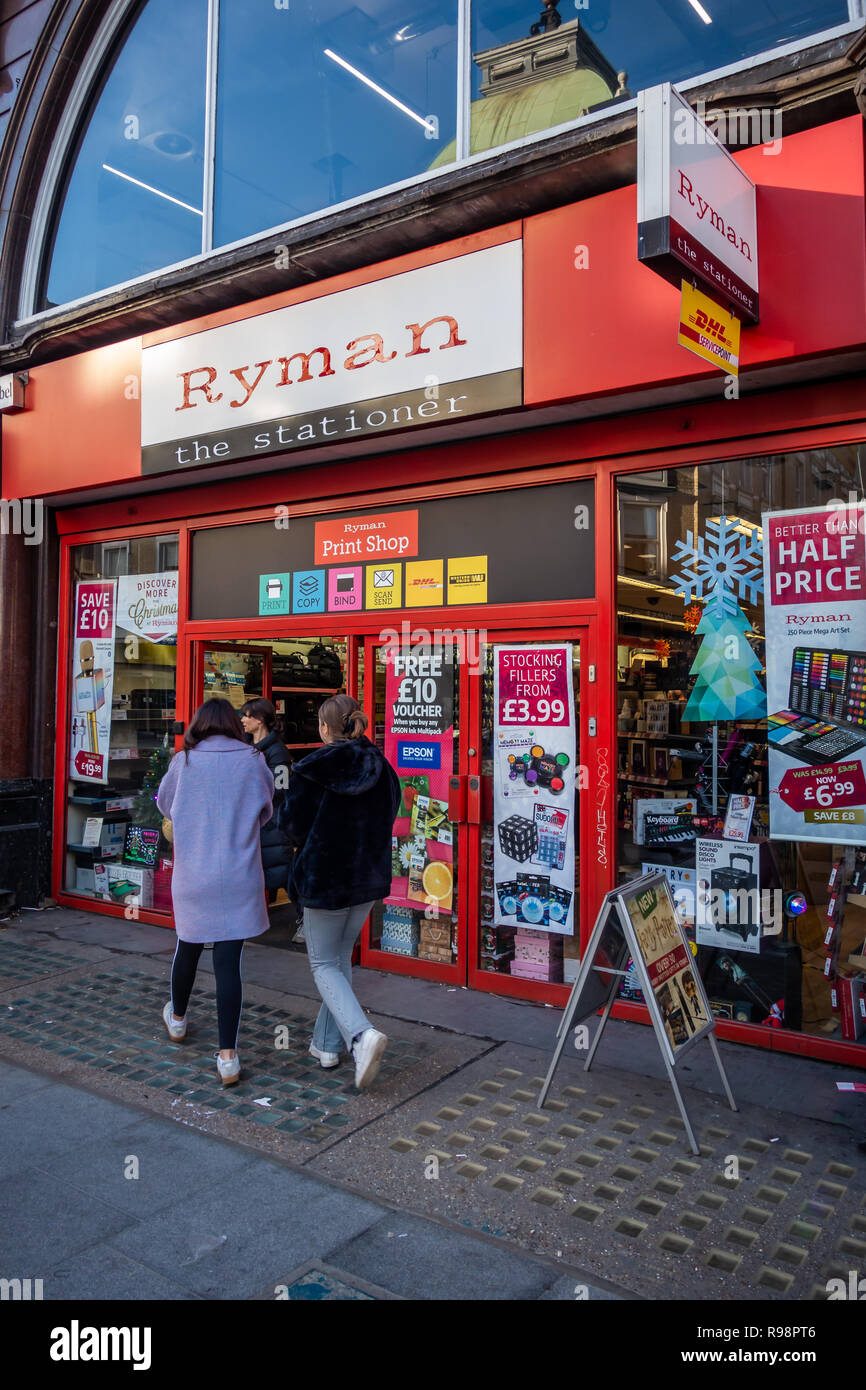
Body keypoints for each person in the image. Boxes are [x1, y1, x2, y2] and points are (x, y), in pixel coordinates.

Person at [279, 693, 401, 1089]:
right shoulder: (382, 767)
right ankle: (326, 1045)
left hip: (324, 878)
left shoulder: (310, 770)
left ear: (324, 728)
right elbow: (392, 812)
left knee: (323, 963)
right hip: (366, 877)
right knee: (338, 959)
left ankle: (360, 1035)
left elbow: (291, 827)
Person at [156, 697, 274, 1085]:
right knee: (229, 963)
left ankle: (177, 1019)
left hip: (194, 874)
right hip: (238, 875)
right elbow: (266, 810)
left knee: (187, 947)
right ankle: (227, 1057)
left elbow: (165, 804)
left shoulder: (183, 762)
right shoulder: (253, 760)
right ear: (233, 725)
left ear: (199, 725)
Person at [239, 697, 297, 919]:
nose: (243, 720)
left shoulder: (277, 751)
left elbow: (280, 788)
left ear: (260, 720)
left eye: (247, 715)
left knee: (282, 873)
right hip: (252, 822)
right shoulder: (244, 746)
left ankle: (302, 917)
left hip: (272, 823)